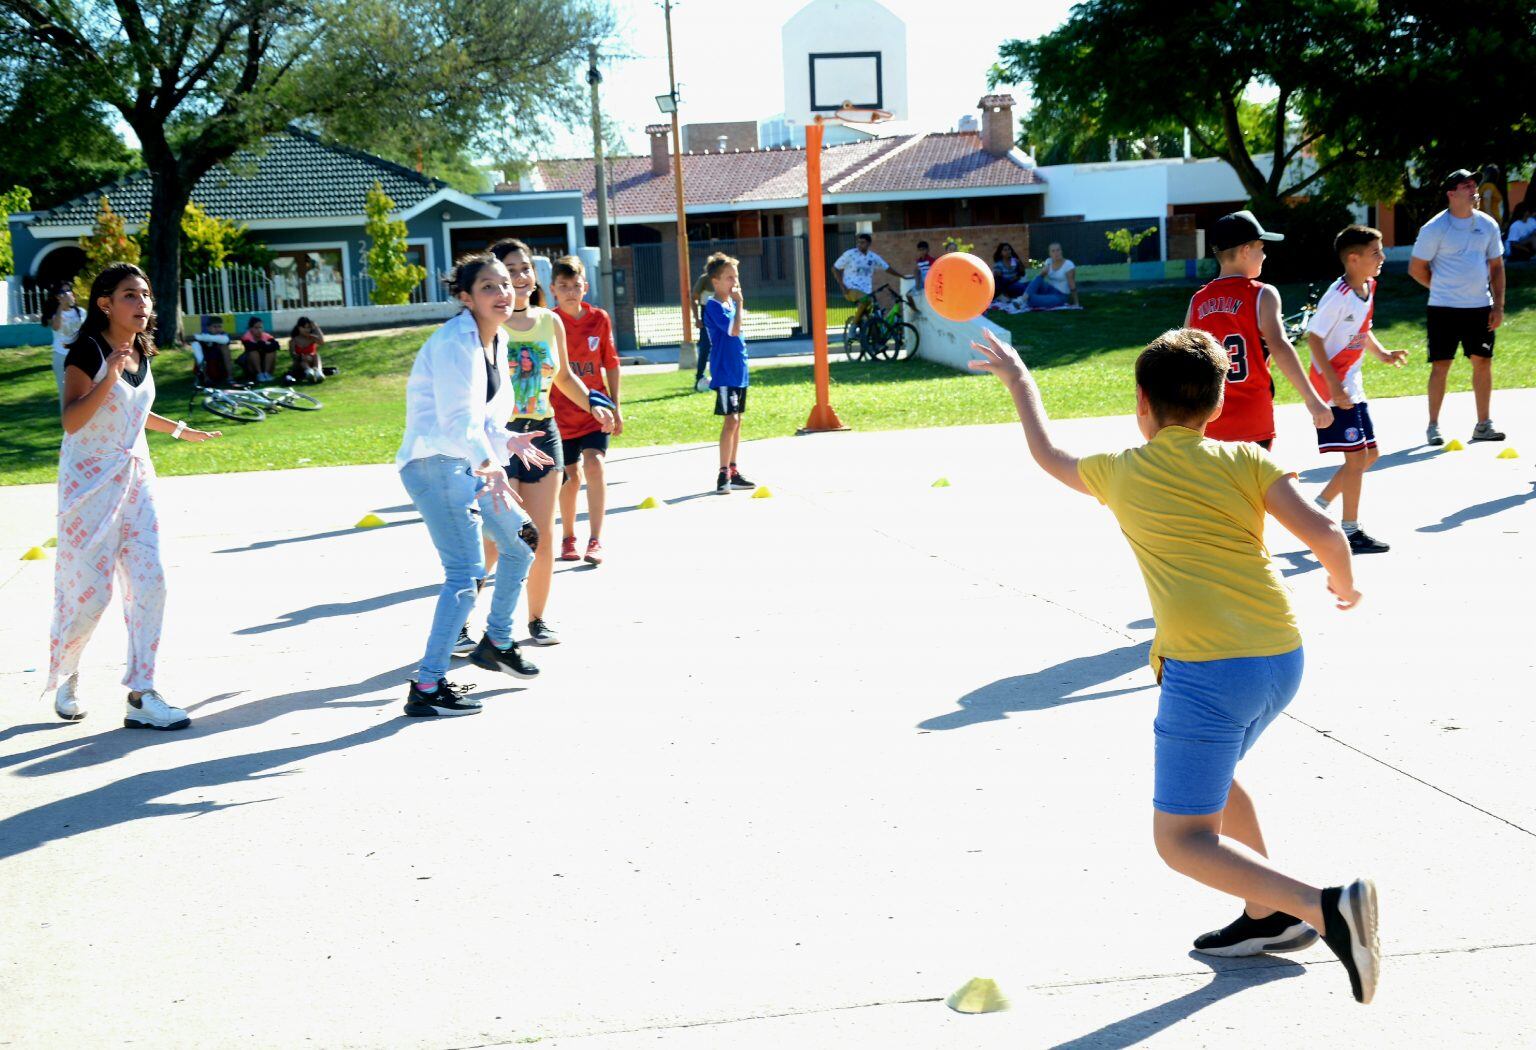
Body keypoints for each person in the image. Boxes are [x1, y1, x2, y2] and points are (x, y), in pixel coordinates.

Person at [969, 323, 1381, 1005]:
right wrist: (1345, 584)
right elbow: (1327, 531)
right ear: (1219, 403)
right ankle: (1268, 913)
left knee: (1182, 839)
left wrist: (1020, 381)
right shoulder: (1247, 458)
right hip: (1280, 658)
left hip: (1209, 672)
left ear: (1141, 401)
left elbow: (1049, 454)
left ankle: (1324, 907)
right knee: (1218, 783)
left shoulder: (1123, 470)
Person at [46, 263, 222, 730]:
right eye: (130, 295)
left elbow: (136, 407)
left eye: (145, 295)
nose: (143, 304)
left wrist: (180, 431)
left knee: (152, 582)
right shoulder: (86, 350)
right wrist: (109, 372)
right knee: (90, 597)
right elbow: (71, 420)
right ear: (105, 302)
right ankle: (67, 672)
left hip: (137, 480)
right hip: (89, 488)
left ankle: (142, 694)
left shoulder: (139, 348)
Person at [396, 253, 553, 717]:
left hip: (469, 461)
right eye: (489, 286)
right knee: (465, 575)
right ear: (466, 298)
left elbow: (482, 419)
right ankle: (426, 687)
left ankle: (497, 643)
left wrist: (508, 438)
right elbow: (456, 421)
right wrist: (493, 463)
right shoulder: (453, 343)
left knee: (523, 540)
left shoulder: (498, 339)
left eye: (505, 284)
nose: (503, 292)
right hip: (435, 465)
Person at [471, 237, 617, 650]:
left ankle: (536, 619)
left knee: (541, 534)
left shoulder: (549, 321)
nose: (519, 277)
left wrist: (593, 404)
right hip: (500, 439)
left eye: (524, 269)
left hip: (542, 432)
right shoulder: (486, 325)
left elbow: (565, 377)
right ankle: (464, 621)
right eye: (510, 270)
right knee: (496, 537)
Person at [1185, 211, 1334, 448]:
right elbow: (1280, 347)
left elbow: (1186, 360)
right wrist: (1312, 400)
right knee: (1255, 485)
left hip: (1209, 422)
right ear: (1245, 250)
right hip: (1253, 419)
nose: (1264, 255)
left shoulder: (1197, 301)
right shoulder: (1262, 294)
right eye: (1261, 248)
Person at [1305, 226, 1409, 555]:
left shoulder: (1369, 286)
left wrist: (1383, 354)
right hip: (1333, 387)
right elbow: (1314, 337)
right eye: (1376, 252)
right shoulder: (1338, 296)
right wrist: (1334, 387)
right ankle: (1350, 531)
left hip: (1352, 385)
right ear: (1354, 258)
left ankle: (1316, 509)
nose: (1383, 257)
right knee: (1357, 458)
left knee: (1370, 455)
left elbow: (1364, 330)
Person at [1411, 169, 1508, 446]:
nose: (1473, 189)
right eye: (1466, 185)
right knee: (1441, 364)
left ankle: (1483, 425)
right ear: (1451, 193)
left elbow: (1497, 267)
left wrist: (1498, 306)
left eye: (1474, 184)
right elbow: (1416, 268)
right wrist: (1441, 287)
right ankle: (1433, 426)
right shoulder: (1435, 228)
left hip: (1480, 307)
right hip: (1443, 309)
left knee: (1483, 361)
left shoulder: (1487, 225)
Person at [550, 255, 623, 566]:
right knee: (570, 477)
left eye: (575, 286)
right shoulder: (548, 322)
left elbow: (611, 364)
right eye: (563, 286)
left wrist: (616, 407)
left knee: (594, 466)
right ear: (552, 288)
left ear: (585, 287)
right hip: (559, 414)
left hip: (595, 411)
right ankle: (568, 536)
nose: (570, 291)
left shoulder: (599, 319)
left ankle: (596, 539)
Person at [702, 252, 756, 495]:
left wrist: (737, 304)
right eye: (729, 277)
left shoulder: (730, 304)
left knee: (738, 419)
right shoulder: (714, 306)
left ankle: (733, 471)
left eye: (736, 276)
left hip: (739, 369)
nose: (734, 281)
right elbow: (734, 331)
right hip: (725, 371)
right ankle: (722, 473)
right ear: (716, 282)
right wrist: (740, 304)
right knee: (730, 420)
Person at [832, 233, 907, 323]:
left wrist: (901, 276)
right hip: (850, 288)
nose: (859, 245)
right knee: (865, 300)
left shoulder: (873, 257)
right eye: (858, 242)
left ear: (869, 244)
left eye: (862, 243)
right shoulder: (850, 254)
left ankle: (867, 331)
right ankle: (853, 327)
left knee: (871, 311)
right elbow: (835, 268)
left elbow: (886, 268)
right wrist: (842, 286)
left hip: (867, 290)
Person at [44, 285, 86, 402]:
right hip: (61, 356)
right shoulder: (53, 315)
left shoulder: (81, 312)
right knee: (65, 393)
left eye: (69, 290)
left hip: (79, 356)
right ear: (58, 296)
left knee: (84, 391)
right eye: (64, 291)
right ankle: (67, 419)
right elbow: (56, 327)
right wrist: (61, 307)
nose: (69, 293)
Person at [1021, 243, 1079, 309]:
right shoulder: (1048, 261)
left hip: (1060, 295)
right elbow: (1039, 279)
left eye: (1058, 250)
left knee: (1031, 300)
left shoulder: (1068, 265)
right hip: (1048, 289)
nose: (1056, 253)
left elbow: (1072, 286)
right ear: (1050, 253)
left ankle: (1024, 298)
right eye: (1053, 251)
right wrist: (1043, 273)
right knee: (1038, 279)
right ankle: (1023, 298)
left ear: (1061, 251)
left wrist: (1076, 303)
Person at [190, 315, 235, 386]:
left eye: (219, 326)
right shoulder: (204, 335)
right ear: (208, 328)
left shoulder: (223, 335)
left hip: (220, 363)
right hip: (207, 362)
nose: (217, 329)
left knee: (225, 347)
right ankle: (205, 378)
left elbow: (225, 340)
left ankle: (230, 377)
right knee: (197, 352)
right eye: (215, 327)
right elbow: (195, 342)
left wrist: (200, 337)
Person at [238, 316, 281, 382]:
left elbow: (276, 346)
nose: (259, 330)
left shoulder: (266, 336)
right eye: (256, 328)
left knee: (272, 351)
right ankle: (259, 374)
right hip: (251, 365)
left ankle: (266, 374)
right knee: (253, 352)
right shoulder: (246, 336)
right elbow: (250, 347)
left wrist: (261, 344)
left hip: (265, 362)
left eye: (260, 327)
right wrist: (263, 344)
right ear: (251, 328)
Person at [692, 268, 713, 392]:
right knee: (705, 347)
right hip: (707, 314)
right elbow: (693, 298)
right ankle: (699, 377)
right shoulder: (704, 279)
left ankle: (721, 377)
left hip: (721, 313)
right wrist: (697, 318)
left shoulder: (726, 279)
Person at [287, 317, 326, 383]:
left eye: (309, 328)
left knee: (316, 355)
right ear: (299, 328)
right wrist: (301, 357)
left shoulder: (312, 338)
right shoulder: (293, 341)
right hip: (300, 364)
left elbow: (322, 342)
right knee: (303, 362)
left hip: (312, 362)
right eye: (304, 328)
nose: (307, 330)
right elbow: (292, 354)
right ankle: (309, 372)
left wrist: (316, 327)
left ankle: (318, 372)